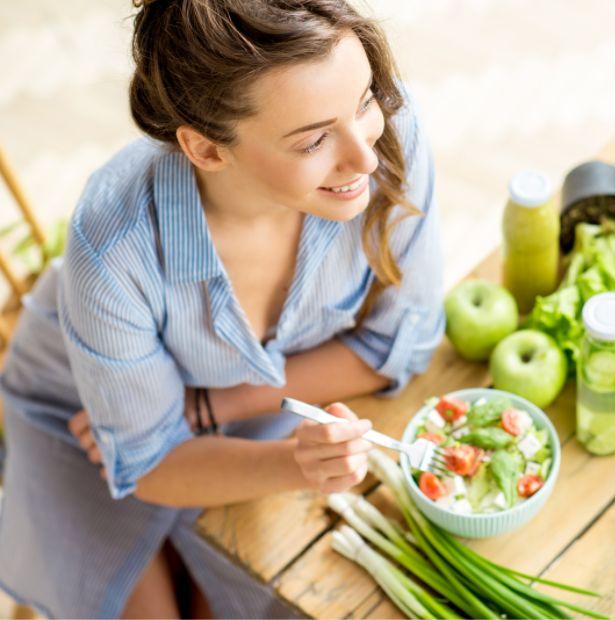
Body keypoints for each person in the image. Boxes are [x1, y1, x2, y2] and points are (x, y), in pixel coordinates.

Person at [0, 0, 444, 617]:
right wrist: (298, 462)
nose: (364, 158)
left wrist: (214, 406)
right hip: (80, 416)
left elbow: (403, 340)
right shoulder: (112, 244)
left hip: (244, 407)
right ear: (206, 149)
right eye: (314, 139)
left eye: (365, 99)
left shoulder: (386, 140)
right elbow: (153, 460)